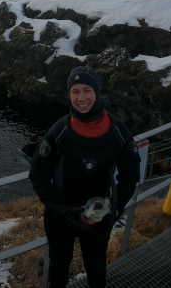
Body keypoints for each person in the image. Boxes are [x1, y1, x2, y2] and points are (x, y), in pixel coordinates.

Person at [29, 66, 141, 288]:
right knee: (59, 269)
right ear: (69, 94)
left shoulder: (117, 131)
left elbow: (130, 177)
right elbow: (37, 175)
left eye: (87, 90)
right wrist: (61, 210)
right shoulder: (60, 130)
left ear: (98, 92)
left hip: (98, 217)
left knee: (97, 268)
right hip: (60, 217)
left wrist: (115, 210)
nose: (81, 98)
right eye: (75, 91)